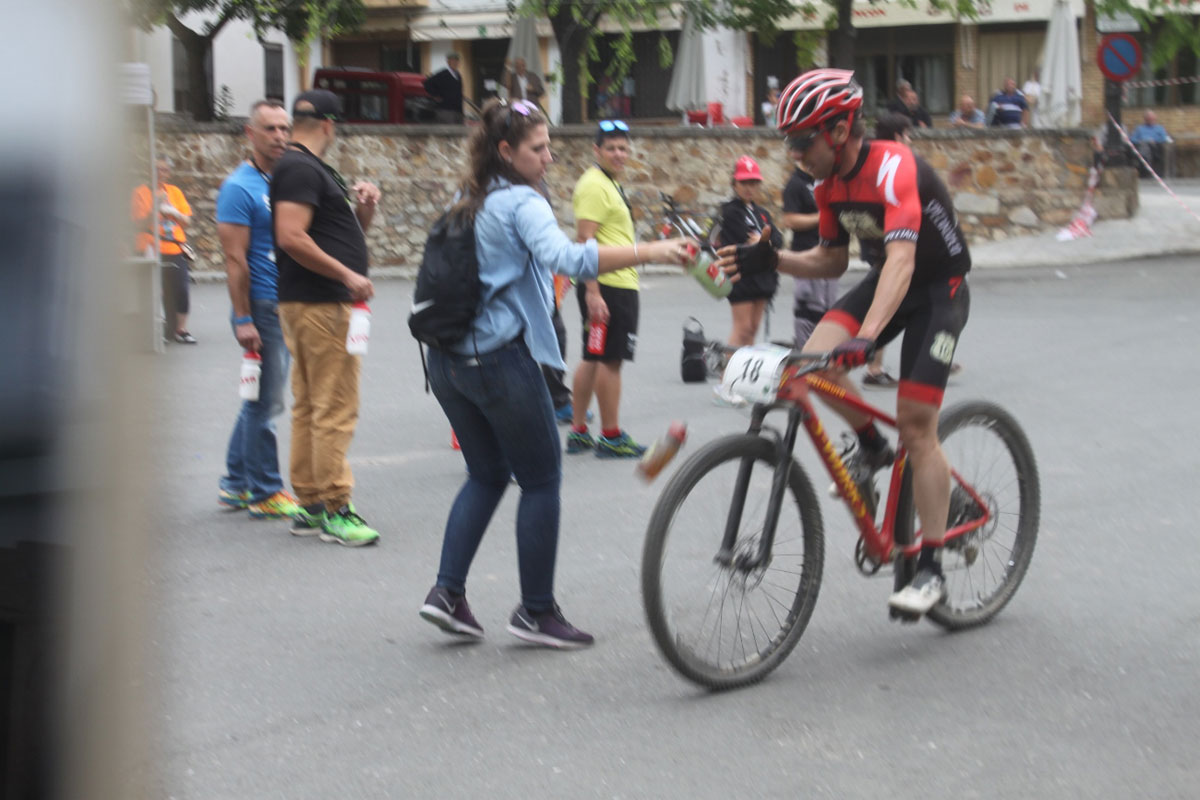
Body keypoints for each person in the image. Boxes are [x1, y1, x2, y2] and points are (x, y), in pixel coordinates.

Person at [416, 99, 688, 647]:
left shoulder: (466, 196)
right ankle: (536, 612)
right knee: (541, 479)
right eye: (538, 148)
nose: (548, 158)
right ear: (505, 151)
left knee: (487, 474)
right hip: (498, 360)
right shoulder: (522, 201)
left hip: (445, 361)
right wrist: (654, 249)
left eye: (549, 147)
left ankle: (446, 595)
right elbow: (571, 259)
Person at [719, 69, 972, 616]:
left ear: (838, 131)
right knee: (812, 362)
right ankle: (873, 447)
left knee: (916, 425)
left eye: (802, 140)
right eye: (788, 142)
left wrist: (866, 337)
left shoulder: (894, 167)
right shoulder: (827, 184)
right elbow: (831, 260)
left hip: (938, 289)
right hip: (889, 281)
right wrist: (773, 258)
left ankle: (931, 568)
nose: (794, 154)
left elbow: (902, 261)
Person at [271, 89, 383, 547]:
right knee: (335, 406)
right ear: (329, 125)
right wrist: (348, 276)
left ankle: (311, 502)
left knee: (310, 405)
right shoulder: (300, 168)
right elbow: (291, 236)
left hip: (308, 302)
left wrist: (364, 209)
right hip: (322, 304)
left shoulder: (303, 167)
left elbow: (338, 234)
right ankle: (337, 507)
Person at [215, 100, 303, 521]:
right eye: (270, 129)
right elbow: (235, 260)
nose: (280, 136)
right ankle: (265, 490)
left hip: (283, 301)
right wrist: (243, 318)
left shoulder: (283, 180)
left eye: (285, 128)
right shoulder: (239, 187)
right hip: (262, 305)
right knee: (266, 404)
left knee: (258, 399)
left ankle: (235, 483)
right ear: (250, 134)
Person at [566, 119, 647, 459]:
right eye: (611, 148)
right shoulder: (596, 185)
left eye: (623, 148)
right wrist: (593, 292)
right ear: (596, 150)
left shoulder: (605, 182)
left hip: (607, 284)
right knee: (610, 361)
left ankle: (579, 432)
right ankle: (611, 436)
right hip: (610, 286)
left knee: (592, 355)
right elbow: (585, 240)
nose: (618, 154)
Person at [716, 155, 783, 347]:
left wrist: (763, 241)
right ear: (734, 184)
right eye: (744, 183)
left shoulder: (762, 213)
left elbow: (778, 239)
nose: (749, 188)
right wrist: (764, 242)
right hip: (742, 276)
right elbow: (743, 241)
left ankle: (745, 365)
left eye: (753, 183)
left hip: (762, 276)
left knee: (753, 328)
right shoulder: (730, 211)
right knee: (742, 329)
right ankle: (728, 366)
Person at [132, 157, 196, 344]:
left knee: (181, 288)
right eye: (157, 169)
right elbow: (138, 223)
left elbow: (187, 220)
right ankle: (155, 329)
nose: (161, 173)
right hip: (150, 246)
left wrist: (174, 212)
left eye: (165, 170)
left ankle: (180, 329)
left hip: (174, 246)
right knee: (155, 290)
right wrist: (156, 208)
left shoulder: (174, 192)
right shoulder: (140, 193)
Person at [782, 157, 834, 350]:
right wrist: (821, 217)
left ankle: (822, 352)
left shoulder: (822, 181)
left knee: (828, 309)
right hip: (806, 253)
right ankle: (805, 354)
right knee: (809, 307)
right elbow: (790, 220)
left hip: (829, 253)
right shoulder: (795, 184)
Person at [424, 52, 464, 124]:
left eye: (457, 61)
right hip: (446, 110)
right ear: (448, 62)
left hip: (458, 110)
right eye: (453, 61)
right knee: (450, 129)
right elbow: (427, 83)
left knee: (459, 129)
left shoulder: (458, 75)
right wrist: (435, 95)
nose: (455, 63)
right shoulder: (442, 74)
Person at [1129, 110, 1172, 177]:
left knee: (1147, 148)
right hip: (1142, 145)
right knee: (1144, 146)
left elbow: (1164, 138)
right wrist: (1140, 141)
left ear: (1155, 119)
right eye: (1149, 119)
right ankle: (1146, 165)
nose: (1151, 120)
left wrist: (1154, 140)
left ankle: (1145, 165)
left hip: (1155, 146)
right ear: (1145, 119)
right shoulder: (1140, 128)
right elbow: (1132, 139)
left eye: (1152, 119)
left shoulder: (1159, 128)